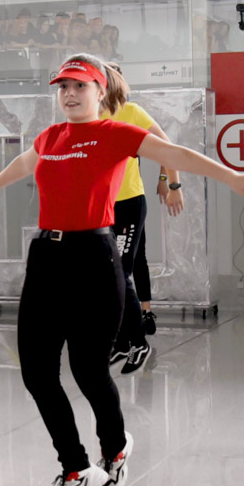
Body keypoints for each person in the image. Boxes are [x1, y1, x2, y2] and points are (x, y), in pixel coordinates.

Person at [0, 54, 244, 486]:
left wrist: (233, 176)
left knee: (87, 370)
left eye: (80, 86)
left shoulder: (115, 133)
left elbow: (175, 154)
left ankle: (115, 447)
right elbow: (25, 161)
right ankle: (75, 466)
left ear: (101, 91)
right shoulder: (50, 136)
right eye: (63, 87)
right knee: (36, 373)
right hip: (46, 259)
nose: (70, 94)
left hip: (93, 259)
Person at [103, 68, 184, 373]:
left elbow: (168, 147)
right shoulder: (86, 117)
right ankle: (122, 342)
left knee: (121, 273)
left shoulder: (132, 112)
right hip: (101, 207)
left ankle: (139, 342)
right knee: (107, 276)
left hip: (128, 204)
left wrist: (172, 184)